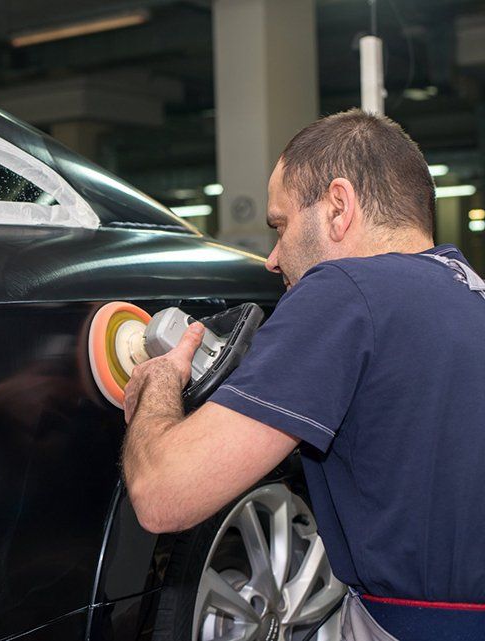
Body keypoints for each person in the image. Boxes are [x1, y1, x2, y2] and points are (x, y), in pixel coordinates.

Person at [121, 109, 485, 641]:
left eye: (280, 225)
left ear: (339, 207)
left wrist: (157, 386)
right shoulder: (468, 294)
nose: (271, 258)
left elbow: (163, 496)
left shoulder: (345, 290)